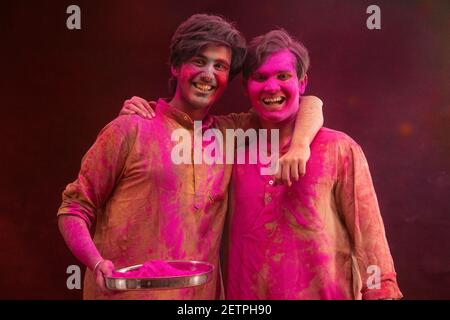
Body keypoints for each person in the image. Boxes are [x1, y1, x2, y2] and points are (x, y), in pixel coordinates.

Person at [122, 29, 403, 300]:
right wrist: (144, 113)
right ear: (246, 87)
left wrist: (300, 145)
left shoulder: (339, 148)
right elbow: (179, 123)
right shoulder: (230, 143)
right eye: (260, 77)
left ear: (302, 82)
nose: (271, 87)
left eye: (283, 76)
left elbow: (370, 237)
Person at [57, 14, 323, 300]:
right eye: (199, 61)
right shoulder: (130, 128)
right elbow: (73, 208)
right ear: (175, 66)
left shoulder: (230, 134)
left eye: (219, 66)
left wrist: (299, 147)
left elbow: (308, 102)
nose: (208, 74)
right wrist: (97, 263)